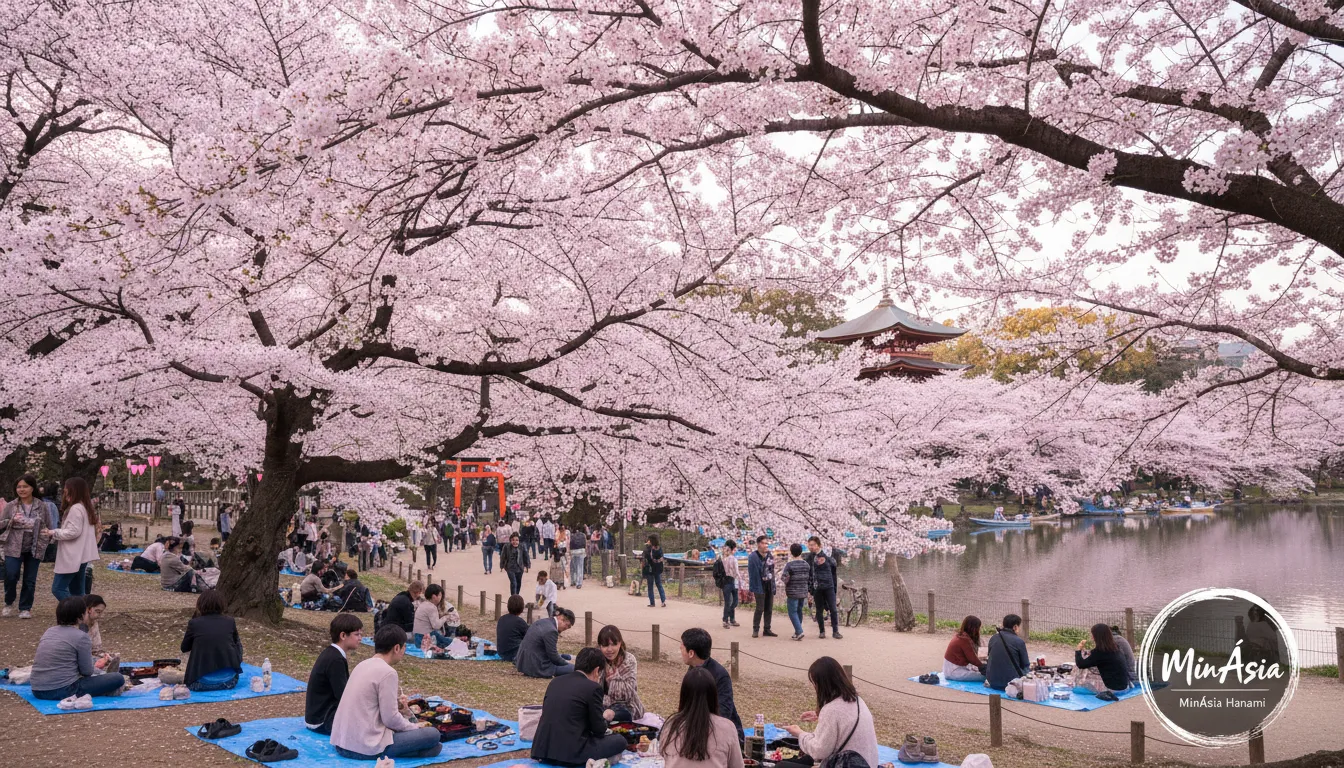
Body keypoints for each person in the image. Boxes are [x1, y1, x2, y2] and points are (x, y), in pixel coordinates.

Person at [331, 625, 443, 760]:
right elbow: (390, 719)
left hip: (342, 742)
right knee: (433, 735)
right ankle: (414, 750)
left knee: (434, 745)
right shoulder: (388, 673)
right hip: (365, 747)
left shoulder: (363, 664)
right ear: (396, 648)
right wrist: (414, 727)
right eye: (404, 647)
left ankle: (417, 750)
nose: (404, 651)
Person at [531, 647, 629, 766]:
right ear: (596, 670)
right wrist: (604, 718)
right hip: (571, 753)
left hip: (543, 749)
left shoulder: (555, 682)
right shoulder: (593, 688)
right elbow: (599, 730)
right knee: (620, 740)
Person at [779, 657, 880, 768]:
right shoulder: (858, 700)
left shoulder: (831, 710)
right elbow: (844, 719)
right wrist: (819, 715)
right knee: (806, 759)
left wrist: (799, 734)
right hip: (868, 763)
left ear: (822, 684)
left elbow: (819, 751)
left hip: (847, 764)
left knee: (781, 766)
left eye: (815, 683)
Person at [30, 596, 126, 700]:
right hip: (63, 690)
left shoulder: (49, 631)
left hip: (37, 690)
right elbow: (87, 671)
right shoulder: (81, 637)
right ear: (80, 615)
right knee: (117, 678)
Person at [659, 665, 745, 768]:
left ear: (684, 696)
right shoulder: (727, 727)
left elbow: (664, 756)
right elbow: (737, 765)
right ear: (713, 695)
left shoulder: (671, 725)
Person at [680, 627, 743, 743]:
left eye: (682, 647)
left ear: (691, 653)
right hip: (697, 731)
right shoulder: (692, 670)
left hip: (721, 735)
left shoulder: (720, 675)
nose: (680, 649)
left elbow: (724, 712)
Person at [2, 474, 51, 619]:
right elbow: (1, 523)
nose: (22, 490)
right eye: (19, 487)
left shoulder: (41, 506)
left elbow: (48, 525)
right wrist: (11, 520)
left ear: (32, 488)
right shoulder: (11, 505)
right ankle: (9, 602)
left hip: (34, 545)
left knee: (30, 579)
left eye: (25, 486)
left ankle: (25, 607)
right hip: (13, 545)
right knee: (11, 575)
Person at [306, 614, 364, 735]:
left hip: (318, 716)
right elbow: (343, 696)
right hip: (322, 720)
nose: (360, 638)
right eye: (357, 634)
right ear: (343, 635)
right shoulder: (335, 659)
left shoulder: (331, 653)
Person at [181, 589, 244, 691]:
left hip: (200, 683)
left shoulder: (194, 623)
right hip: (230, 682)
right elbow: (236, 645)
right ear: (222, 605)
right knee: (234, 641)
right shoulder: (230, 621)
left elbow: (184, 648)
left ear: (200, 605)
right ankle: (229, 670)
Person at [49, 478, 99, 601]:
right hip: (81, 555)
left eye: (66, 489)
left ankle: (74, 611)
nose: (64, 492)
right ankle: (82, 617)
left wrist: (53, 532)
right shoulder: (85, 507)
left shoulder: (76, 509)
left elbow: (73, 532)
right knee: (77, 591)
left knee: (58, 588)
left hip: (72, 556)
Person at [597, 625, 644, 721]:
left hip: (626, 707)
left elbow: (626, 694)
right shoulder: (596, 659)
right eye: (605, 645)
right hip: (600, 705)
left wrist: (611, 677)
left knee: (615, 714)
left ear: (620, 643)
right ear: (600, 646)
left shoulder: (629, 660)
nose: (609, 649)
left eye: (614, 644)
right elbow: (591, 690)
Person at [515, 608, 576, 678]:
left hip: (524, 664)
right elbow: (554, 657)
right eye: (567, 625)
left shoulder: (542, 622)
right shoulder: (552, 631)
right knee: (576, 669)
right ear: (561, 618)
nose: (566, 628)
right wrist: (567, 663)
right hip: (538, 667)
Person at [1075, 623, 1131, 692]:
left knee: (1085, 676)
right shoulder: (1115, 647)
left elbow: (1081, 664)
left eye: (1092, 634)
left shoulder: (1100, 652)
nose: (1091, 636)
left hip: (1113, 689)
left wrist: (1078, 651)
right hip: (1125, 686)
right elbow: (1098, 656)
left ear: (1096, 636)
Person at [804, 537, 841, 640]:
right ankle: (822, 631)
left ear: (819, 545)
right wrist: (809, 589)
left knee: (833, 609)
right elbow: (808, 574)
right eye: (809, 545)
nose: (811, 547)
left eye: (813, 545)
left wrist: (834, 586)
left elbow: (834, 569)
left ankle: (835, 631)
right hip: (817, 587)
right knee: (819, 610)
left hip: (829, 586)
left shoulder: (827, 556)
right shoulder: (809, 558)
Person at [985, 614, 1030, 690]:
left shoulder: (993, 638)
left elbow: (989, 656)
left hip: (992, 681)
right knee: (1027, 670)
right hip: (1011, 683)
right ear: (1015, 627)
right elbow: (1025, 664)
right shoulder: (1019, 641)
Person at [747, 536, 777, 638]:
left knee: (769, 608)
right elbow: (753, 573)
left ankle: (767, 629)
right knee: (760, 608)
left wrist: (773, 585)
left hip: (769, 585)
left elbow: (772, 571)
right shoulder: (753, 557)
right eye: (764, 543)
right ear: (759, 544)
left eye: (767, 543)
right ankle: (756, 629)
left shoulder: (769, 555)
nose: (766, 545)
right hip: (759, 585)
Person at [780, 543, 811, 641]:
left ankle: (799, 631)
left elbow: (784, 578)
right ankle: (797, 632)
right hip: (803, 591)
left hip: (792, 592)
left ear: (791, 553)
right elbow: (809, 578)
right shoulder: (806, 564)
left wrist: (787, 580)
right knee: (799, 611)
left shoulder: (790, 565)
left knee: (792, 612)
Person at [412, 584, 458, 648]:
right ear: (434, 596)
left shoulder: (424, 604)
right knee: (451, 644)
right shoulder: (432, 607)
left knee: (446, 640)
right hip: (425, 638)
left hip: (418, 637)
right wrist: (446, 617)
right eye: (440, 595)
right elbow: (436, 626)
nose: (441, 597)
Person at [943, 616, 987, 682]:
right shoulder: (964, 640)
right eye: (978, 628)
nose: (978, 630)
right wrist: (984, 667)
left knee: (978, 671)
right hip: (954, 671)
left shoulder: (960, 636)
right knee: (984, 677)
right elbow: (972, 658)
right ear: (973, 628)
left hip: (952, 669)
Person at [496, 595, 530, 662]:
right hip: (514, 654)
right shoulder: (520, 622)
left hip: (501, 652)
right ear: (522, 608)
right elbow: (529, 637)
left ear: (508, 606)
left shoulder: (501, 619)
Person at [716, 540, 740, 629]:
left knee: (732, 601)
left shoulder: (727, 558)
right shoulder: (726, 559)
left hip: (731, 582)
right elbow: (735, 572)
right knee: (730, 602)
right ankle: (727, 620)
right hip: (729, 582)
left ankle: (730, 619)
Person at [499, 532, 531, 597]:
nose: (515, 542)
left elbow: (526, 556)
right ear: (510, 541)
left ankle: (517, 596)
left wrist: (527, 565)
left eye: (517, 540)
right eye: (513, 540)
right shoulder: (506, 546)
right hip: (510, 568)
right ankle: (513, 598)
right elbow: (503, 556)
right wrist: (502, 565)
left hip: (520, 568)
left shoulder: (522, 546)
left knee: (518, 583)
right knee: (513, 583)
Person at [642, 534, 667, 608]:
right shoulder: (659, 548)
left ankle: (652, 603)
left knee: (650, 586)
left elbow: (646, 558)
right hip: (658, 569)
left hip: (650, 569)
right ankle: (663, 601)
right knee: (659, 584)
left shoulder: (648, 549)